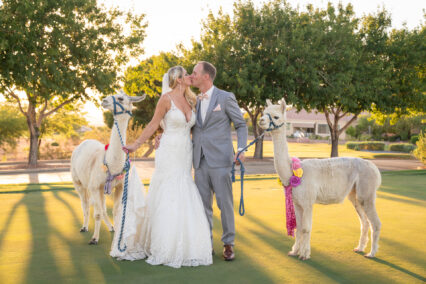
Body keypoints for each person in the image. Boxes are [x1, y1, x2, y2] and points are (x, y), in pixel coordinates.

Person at [122, 66, 212, 268]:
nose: (190, 76)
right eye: (186, 74)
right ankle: (165, 245)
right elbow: (154, 124)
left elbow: (196, 128)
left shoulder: (192, 100)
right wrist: (136, 144)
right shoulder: (166, 99)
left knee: (184, 188)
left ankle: (187, 244)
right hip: (169, 150)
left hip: (185, 151)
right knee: (169, 190)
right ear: (178, 79)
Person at [189, 61, 248, 261]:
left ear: (206, 76)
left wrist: (241, 149)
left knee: (224, 204)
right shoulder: (193, 100)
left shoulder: (225, 97)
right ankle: (205, 243)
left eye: (195, 72)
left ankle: (228, 243)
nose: (192, 75)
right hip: (199, 161)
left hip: (221, 160)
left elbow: (241, 125)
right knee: (203, 205)